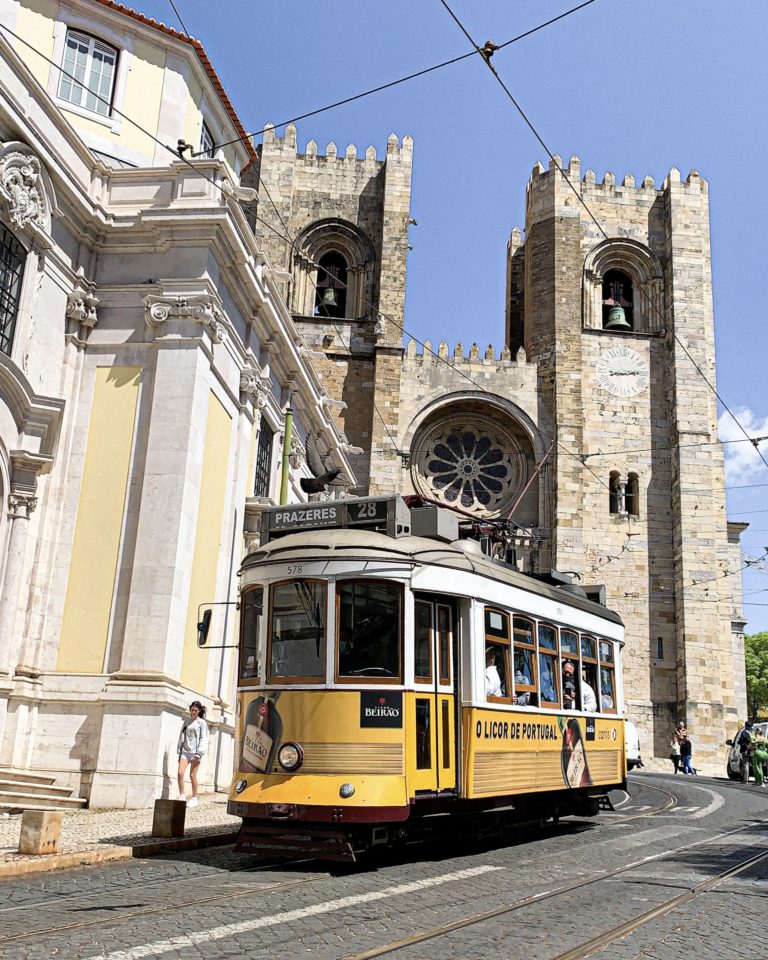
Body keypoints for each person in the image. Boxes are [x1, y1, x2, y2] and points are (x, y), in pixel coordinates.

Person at [177, 701, 209, 807]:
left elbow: (203, 738)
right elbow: (182, 736)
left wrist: (199, 753)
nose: (193, 712)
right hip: (185, 752)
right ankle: (182, 795)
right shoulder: (187, 722)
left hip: (196, 753)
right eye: (192, 710)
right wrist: (179, 751)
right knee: (180, 773)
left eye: (196, 710)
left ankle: (194, 798)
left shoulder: (202, 723)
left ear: (199, 711)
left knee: (192, 775)